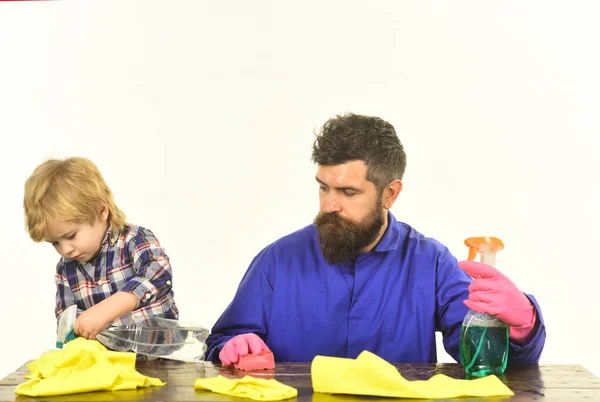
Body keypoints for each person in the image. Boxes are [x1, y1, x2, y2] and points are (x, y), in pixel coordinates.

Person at [205, 113, 545, 366]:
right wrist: (231, 346)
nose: (329, 205)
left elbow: (484, 361)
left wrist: (523, 325)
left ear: (390, 193)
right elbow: (223, 341)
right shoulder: (277, 261)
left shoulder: (431, 263)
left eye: (348, 192)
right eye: (323, 187)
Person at [23, 157, 178, 340]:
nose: (65, 250)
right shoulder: (66, 269)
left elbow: (159, 274)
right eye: (55, 243)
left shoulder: (135, 240)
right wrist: (77, 330)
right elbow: (66, 317)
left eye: (71, 236)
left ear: (101, 210)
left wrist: (111, 307)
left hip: (157, 358)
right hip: (106, 360)